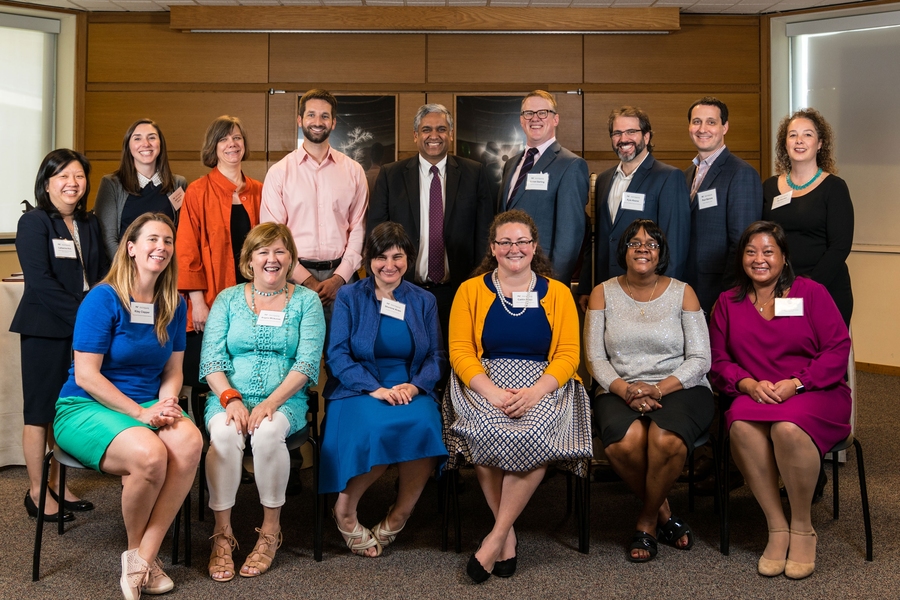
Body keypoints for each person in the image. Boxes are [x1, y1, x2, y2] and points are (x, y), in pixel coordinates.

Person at [52, 213, 202, 599]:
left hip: (148, 402)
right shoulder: (103, 298)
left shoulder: (174, 303)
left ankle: (142, 558)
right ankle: (139, 555)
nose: (161, 247)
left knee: (190, 442)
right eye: (152, 239)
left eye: (168, 241)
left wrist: (167, 402)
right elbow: (87, 375)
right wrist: (140, 414)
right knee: (151, 455)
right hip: (85, 405)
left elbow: (173, 370)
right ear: (131, 248)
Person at [442, 209, 592, 582]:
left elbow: (569, 354)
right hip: (484, 382)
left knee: (533, 432)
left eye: (522, 241)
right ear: (493, 248)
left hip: (544, 385)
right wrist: (491, 392)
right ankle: (506, 536)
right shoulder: (470, 290)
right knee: (483, 429)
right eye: (505, 242)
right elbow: (460, 351)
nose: (515, 248)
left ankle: (495, 537)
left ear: (534, 246)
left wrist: (536, 391)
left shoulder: (558, 293)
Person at [709, 220, 851, 580]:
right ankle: (776, 526)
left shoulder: (811, 293)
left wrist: (797, 383)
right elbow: (718, 360)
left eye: (768, 251)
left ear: (784, 257)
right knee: (740, 426)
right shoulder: (728, 302)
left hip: (814, 391)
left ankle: (802, 526)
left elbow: (837, 348)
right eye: (751, 252)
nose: (759, 259)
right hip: (757, 393)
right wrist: (746, 384)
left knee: (787, 428)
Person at [199, 222, 325, 581]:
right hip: (228, 398)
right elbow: (211, 360)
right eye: (263, 251)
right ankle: (222, 535)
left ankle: (270, 532)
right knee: (224, 436)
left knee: (268, 433)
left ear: (291, 259)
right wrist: (231, 399)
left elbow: (307, 363)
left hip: (286, 400)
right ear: (250, 259)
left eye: (280, 251)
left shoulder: (307, 301)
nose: (272, 258)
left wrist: (271, 402)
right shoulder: (226, 299)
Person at [584, 218, 713, 563]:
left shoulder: (683, 292)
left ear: (661, 253)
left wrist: (657, 389)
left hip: (680, 385)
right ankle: (665, 514)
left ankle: (646, 520)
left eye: (652, 244)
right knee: (624, 444)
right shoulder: (602, 292)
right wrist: (626, 390)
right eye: (634, 243)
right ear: (623, 251)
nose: (643, 249)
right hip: (618, 387)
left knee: (665, 439)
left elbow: (700, 358)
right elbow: (595, 359)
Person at [321, 222, 447, 557]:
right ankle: (345, 511)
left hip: (410, 386)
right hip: (357, 387)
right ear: (368, 259)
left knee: (424, 424)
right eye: (381, 257)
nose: (389, 265)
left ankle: (399, 514)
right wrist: (374, 388)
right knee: (375, 427)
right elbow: (337, 355)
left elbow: (437, 355)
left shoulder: (424, 300)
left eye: (397, 257)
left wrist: (416, 386)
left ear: (408, 259)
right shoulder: (349, 296)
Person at [12, 149, 109, 523]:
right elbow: (40, 282)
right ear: (47, 183)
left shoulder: (89, 222)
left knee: (66, 407)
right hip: (45, 328)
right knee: (39, 411)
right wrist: (86, 318)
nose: (72, 183)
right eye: (63, 176)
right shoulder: (34, 222)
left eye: (79, 176)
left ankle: (58, 483)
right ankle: (37, 491)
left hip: (82, 331)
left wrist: (99, 310)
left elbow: (101, 272)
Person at [367, 103, 494, 344]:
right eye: (426, 129)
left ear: (451, 134)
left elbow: (484, 236)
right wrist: (380, 286)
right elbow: (375, 236)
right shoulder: (391, 175)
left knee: (454, 355)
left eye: (441, 129)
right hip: (403, 290)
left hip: (458, 291)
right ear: (416, 135)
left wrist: (480, 284)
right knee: (406, 352)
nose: (434, 135)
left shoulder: (474, 173)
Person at [261, 88, 368, 321]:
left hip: (343, 279)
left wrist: (339, 278)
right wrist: (306, 279)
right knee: (293, 344)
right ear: (300, 120)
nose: (318, 122)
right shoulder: (279, 172)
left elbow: (359, 229)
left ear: (334, 122)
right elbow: (272, 237)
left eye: (324, 116)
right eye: (311, 115)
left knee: (341, 344)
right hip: (291, 277)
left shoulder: (354, 171)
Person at [177, 115, 263, 392]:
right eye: (223, 139)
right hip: (211, 297)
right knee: (206, 374)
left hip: (253, 297)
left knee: (248, 368)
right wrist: (197, 302)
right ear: (213, 147)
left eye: (237, 137)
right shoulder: (197, 191)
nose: (232, 144)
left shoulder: (259, 191)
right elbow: (187, 249)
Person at [577, 106, 691, 310]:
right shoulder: (603, 180)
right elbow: (598, 239)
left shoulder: (668, 177)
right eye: (617, 133)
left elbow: (675, 243)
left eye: (631, 132)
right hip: (607, 288)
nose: (623, 139)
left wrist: (665, 297)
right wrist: (587, 285)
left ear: (646, 136)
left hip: (648, 291)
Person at [762, 108, 853, 327]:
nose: (799, 140)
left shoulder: (834, 188)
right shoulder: (769, 187)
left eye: (808, 134)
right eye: (793, 135)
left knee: (821, 348)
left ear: (820, 144)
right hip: (779, 288)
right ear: (785, 143)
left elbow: (840, 247)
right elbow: (762, 238)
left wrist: (805, 289)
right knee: (784, 346)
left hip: (825, 288)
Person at [498, 90, 589, 285]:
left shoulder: (571, 165)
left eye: (542, 113)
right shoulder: (511, 164)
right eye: (528, 113)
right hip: (507, 275)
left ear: (555, 119)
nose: (535, 118)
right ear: (521, 120)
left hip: (544, 278)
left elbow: (570, 236)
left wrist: (554, 284)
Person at [683, 97, 762, 315]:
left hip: (719, 291)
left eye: (711, 122)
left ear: (724, 127)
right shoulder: (686, 174)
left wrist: (728, 295)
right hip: (687, 287)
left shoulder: (741, 173)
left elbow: (743, 242)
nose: (702, 129)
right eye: (696, 122)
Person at [94, 119, 187, 261]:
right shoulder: (111, 184)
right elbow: (108, 239)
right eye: (137, 138)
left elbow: (182, 234)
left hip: (165, 266)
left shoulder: (178, 184)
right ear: (128, 146)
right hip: (124, 269)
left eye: (152, 138)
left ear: (160, 144)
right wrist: (130, 269)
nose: (146, 144)